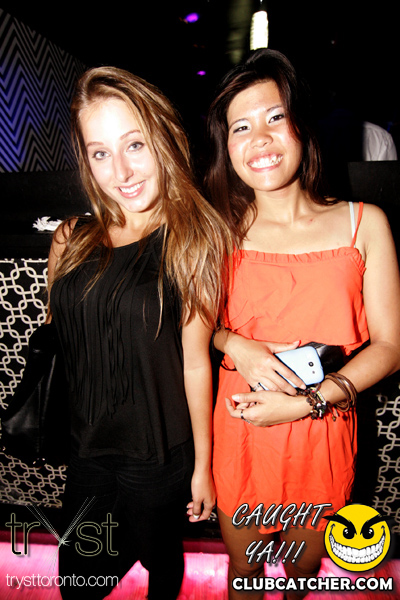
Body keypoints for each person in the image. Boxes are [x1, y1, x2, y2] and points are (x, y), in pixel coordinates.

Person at [204, 49, 400, 598]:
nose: (260, 138)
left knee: (300, 573)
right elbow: (196, 326)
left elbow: (390, 347)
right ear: (227, 147)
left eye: (275, 117)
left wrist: (309, 402)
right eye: (241, 127)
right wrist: (235, 343)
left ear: (303, 127)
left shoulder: (364, 223)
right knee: (244, 573)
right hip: (243, 428)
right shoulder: (216, 230)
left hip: (324, 428)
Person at [47, 66, 231, 600]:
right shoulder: (72, 238)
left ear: (163, 139)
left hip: (158, 452)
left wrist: (203, 468)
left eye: (135, 145)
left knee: (160, 563)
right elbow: (61, 335)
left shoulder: (194, 239)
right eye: (100, 153)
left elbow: (195, 363)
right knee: (76, 580)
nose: (121, 171)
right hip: (87, 447)